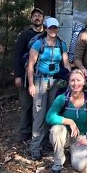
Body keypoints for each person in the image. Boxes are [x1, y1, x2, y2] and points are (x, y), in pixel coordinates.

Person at [26, 17, 71, 161]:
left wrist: (71, 78)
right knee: (39, 113)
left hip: (56, 81)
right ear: (46, 28)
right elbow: (31, 66)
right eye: (50, 28)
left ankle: (47, 143)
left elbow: (66, 62)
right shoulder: (39, 44)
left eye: (55, 28)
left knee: (52, 112)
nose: (53, 30)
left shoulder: (61, 44)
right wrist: (31, 84)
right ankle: (35, 148)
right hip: (40, 81)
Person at [46, 69, 87, 173]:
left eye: (78, 80)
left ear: (84, 82)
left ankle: (71, 152)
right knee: (56, 129)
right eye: (72, 80)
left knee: (80, 167)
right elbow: (49, 117)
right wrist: (69, 121)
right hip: (65, 135)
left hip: (81, 137)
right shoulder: (62, 98)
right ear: (68, 82)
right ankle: (58, 162)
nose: (75, 83)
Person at [13, 7, 44, 143]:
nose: (37, 18)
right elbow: (17, 56)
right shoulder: (25, 35)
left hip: (42, 76)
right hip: (26, 75)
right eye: (34, 16)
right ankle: (24, 131)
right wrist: (18, 75)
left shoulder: (48, 34)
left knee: (40, 107)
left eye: (39, 15)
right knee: (26, 105)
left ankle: (36, 132)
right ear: (31, 19)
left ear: (43, 19)